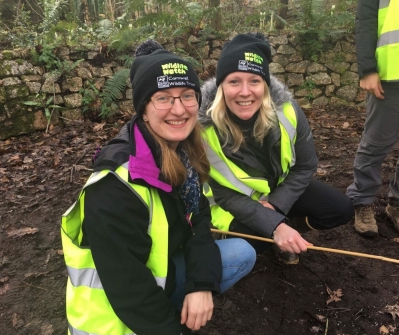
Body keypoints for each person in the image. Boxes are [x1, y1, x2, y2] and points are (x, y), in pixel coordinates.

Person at [61, 40, 256, 335]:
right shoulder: (115, 186)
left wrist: (200, 285)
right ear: (143, 108)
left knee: (241, 253)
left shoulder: (185, 153)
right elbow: (129, 289)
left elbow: (199, 220)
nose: (179, 109)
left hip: (154, 275)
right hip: (109, 320)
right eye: (163, 98)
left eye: (187, 96)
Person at [199, 33, 354, 264]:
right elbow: (221, 193)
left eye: (254, 81)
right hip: (229, 203)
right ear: (221, 86)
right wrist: (272, 223)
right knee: (257, 241)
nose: (244, 92)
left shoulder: (287, 111)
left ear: (266, 85)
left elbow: (305, 165)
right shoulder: (201, 128)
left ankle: (286, 231)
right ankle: (239, 235)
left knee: (340, 209)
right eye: (234, 81)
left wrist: (276, 207)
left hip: (277, 191)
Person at [347, 0, 399, 237]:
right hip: (396, 67)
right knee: (377, 141)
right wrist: (368, 68)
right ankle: (362, 202)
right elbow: (367, 18)